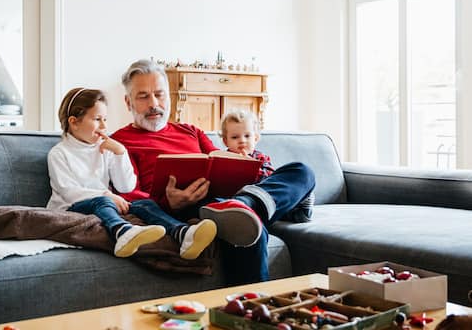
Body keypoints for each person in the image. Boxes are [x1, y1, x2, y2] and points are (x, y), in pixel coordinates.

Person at [111, 59, 316, 282]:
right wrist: (169, 203)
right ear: (128, 102)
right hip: (190, 209)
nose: (154, 103)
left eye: (160, 94)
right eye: (143, 96)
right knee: (246, 227)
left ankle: (249, 204)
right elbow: (129, 195)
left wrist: (241, 166)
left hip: (227, 199)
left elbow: (220, 161)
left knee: (302, 171)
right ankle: (260, 209)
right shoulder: (119, 143)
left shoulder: (190, 131)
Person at [46, 87, 217, 259]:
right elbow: (68, 192)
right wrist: (106, 195)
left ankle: (183, 233)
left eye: (105, 119)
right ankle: (122, 232)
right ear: (74, 122)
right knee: (103, 201)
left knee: (145, 204)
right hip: (71, 207)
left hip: (106, 203)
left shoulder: (105, 148)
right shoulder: (59, 154)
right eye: (97, 119)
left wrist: (121, 153)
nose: (104, 126)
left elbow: (125, 186)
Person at [218, 109, 315, 224]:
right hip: (233, 198)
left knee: (301, 171)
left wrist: (251, 167)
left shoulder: (260, 158)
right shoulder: (222, 158)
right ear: (225, 141)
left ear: (256, 138)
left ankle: (301, 208)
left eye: (247, 136)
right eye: (235, 137)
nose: (242, 141)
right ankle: (241, 207)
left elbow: (269, 179)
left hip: (262, 197)